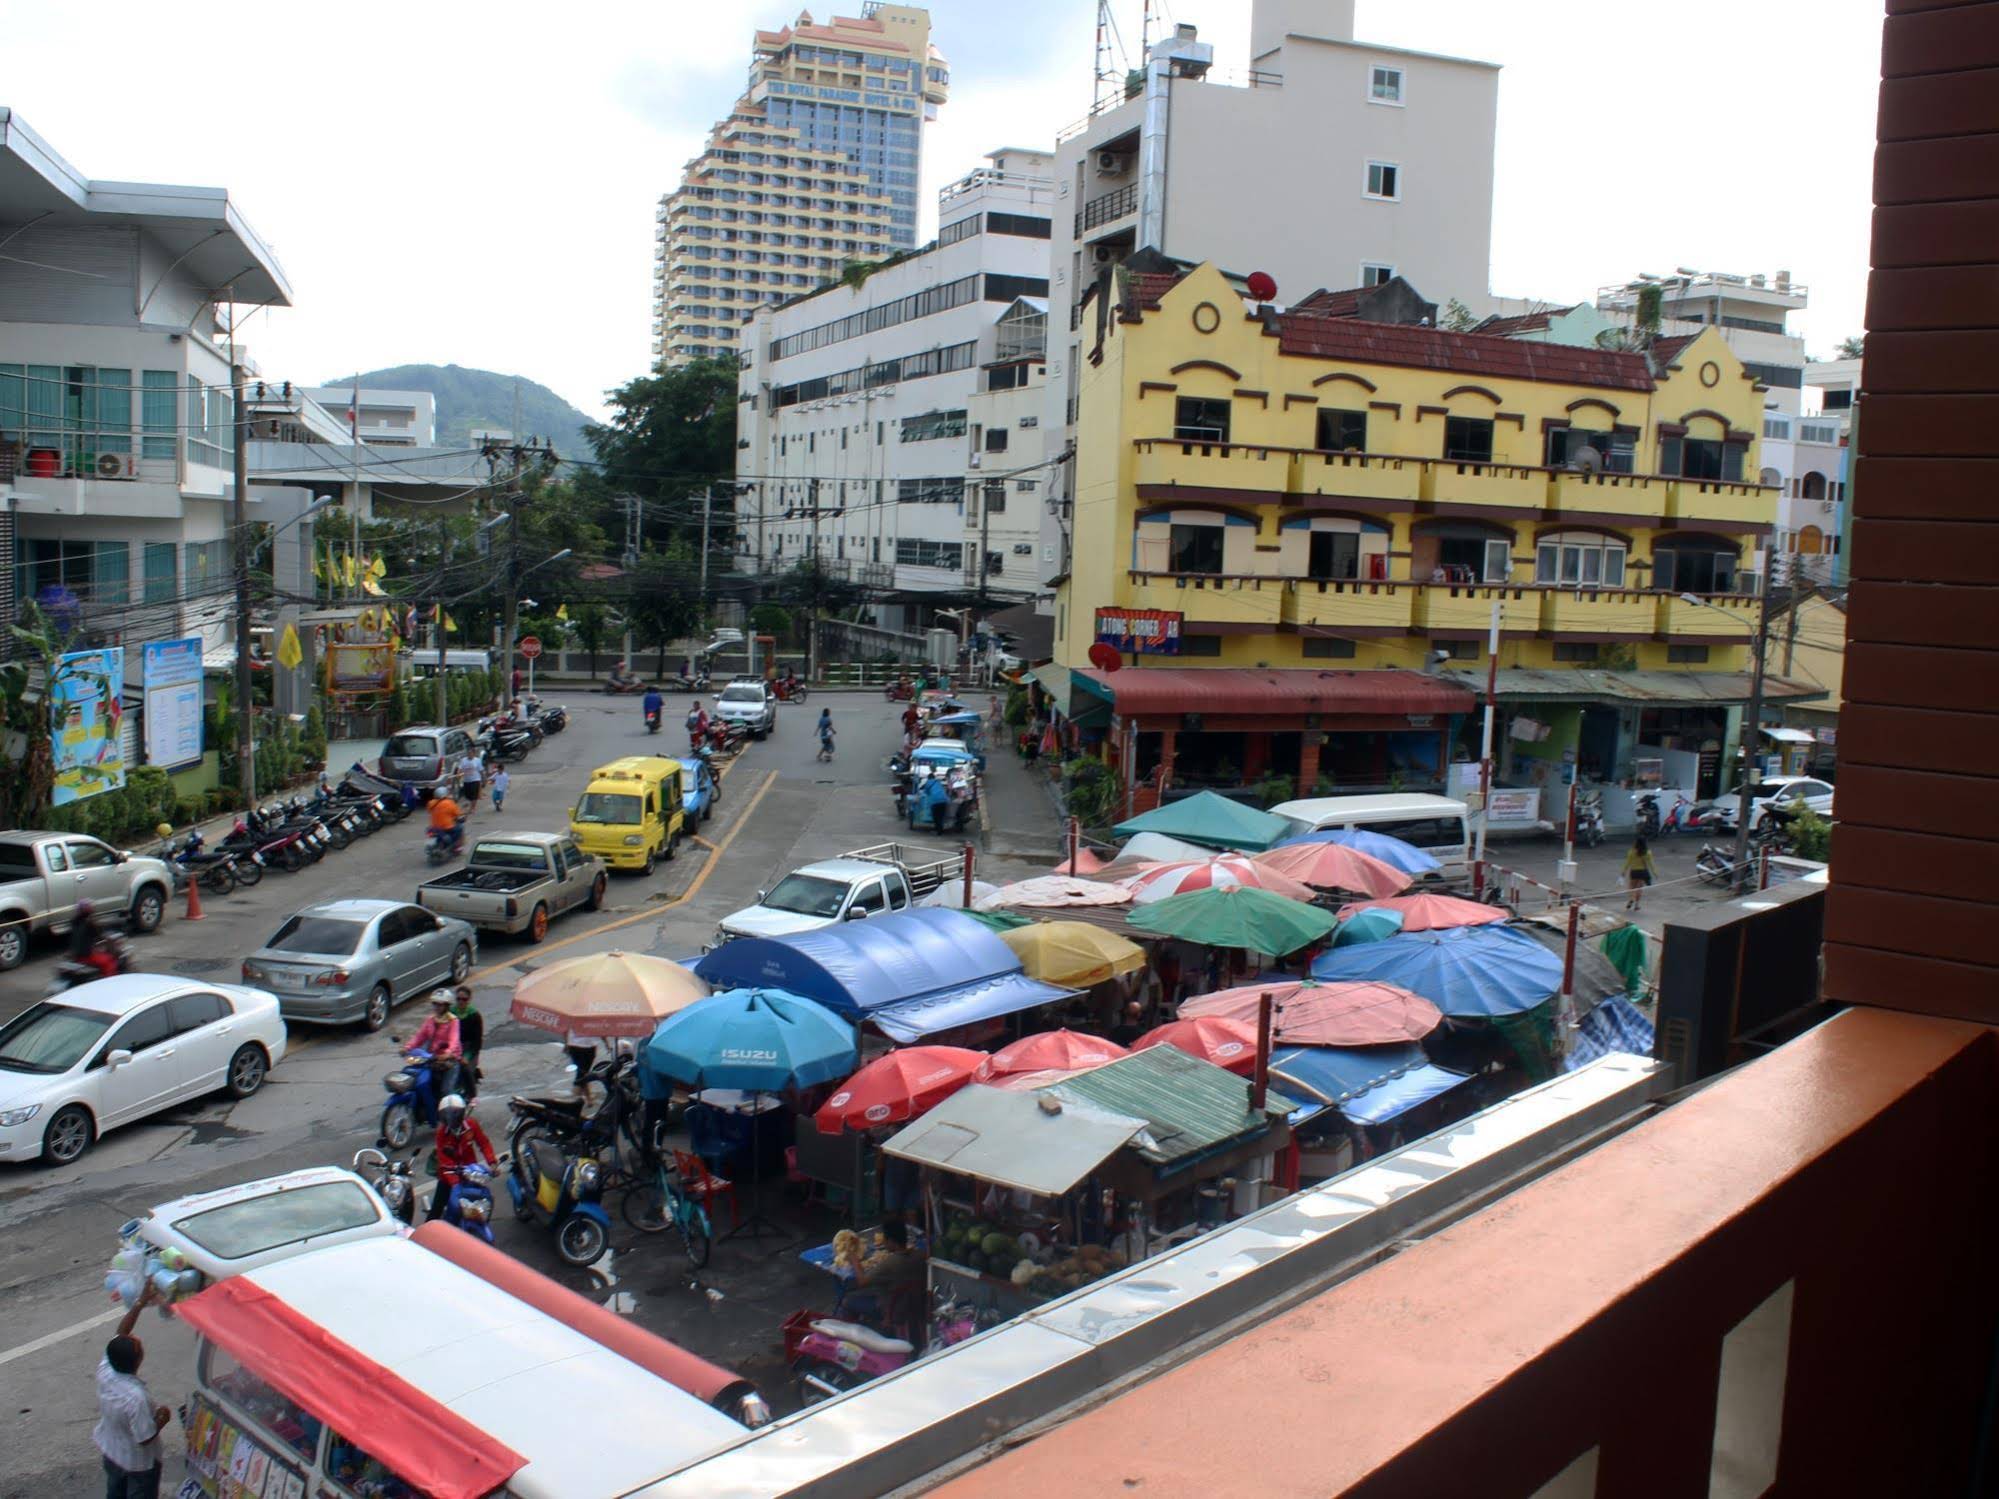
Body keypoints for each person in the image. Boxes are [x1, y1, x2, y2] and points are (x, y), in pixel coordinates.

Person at [95, 1282, 170, 1499]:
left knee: (115, 1492)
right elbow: (145, 1437)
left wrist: (140, 1302)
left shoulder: (107, 1369)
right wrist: (163, 1418)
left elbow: (122, 1332)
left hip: (112, 1452)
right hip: (138, 1464)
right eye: (138, 1345)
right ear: (137, 1361)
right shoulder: (136, 1398)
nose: (136, 1338)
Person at [426, 1093, 498, 1222]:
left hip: (471, 1173)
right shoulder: (442, 1133)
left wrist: (492, 1162)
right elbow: (444, 1160)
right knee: (435, 1212)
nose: (451, 1120)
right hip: (449, 1176)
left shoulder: (471, 1125)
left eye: (455, 1115)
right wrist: (455, 1184)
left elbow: (484, 1143)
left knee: (484, 1201)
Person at [404, 989, 464, 1095]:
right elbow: (420, 1036)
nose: (437, 1007)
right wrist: (407, 1047)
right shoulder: (431, 1020)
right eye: (435, 1004)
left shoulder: (453, 1021)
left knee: (445, 1091)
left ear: (446, 1006)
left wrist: (448, 1053)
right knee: (419, 1081)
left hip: (449, 1060)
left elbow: (453, 1040)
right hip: (432, 1057)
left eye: (440, 1004)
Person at [449, 986, 484, 1100]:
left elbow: (477, 1041)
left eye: (464, 999)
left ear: (469, 1000)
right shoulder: (451, 1013)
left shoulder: (474, 1016)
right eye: (458, 999)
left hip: (469, 1048)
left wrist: (467, 1056)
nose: (461, 1002)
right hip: (453, 1047)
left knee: (465, 1070)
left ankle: (472, 1096)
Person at [1622, 834, 1658, 911]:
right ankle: (1636, 905)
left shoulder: (1632, 851)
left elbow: (1627, 862)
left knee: (1631, 888)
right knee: (1639, 889)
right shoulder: (1648, 852)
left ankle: (1631, 899)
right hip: (1643, 872)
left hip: (1634, 872)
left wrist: (1623, 871)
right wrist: (1655, 872)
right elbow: (1651, 864)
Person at [426, 788, 462, 855]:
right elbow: (458, 814)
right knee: (460, 827)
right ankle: (456, 846)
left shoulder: (431, 803)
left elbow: (429, 811)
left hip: (434, 828)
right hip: (447, 828)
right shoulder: (449, 803)